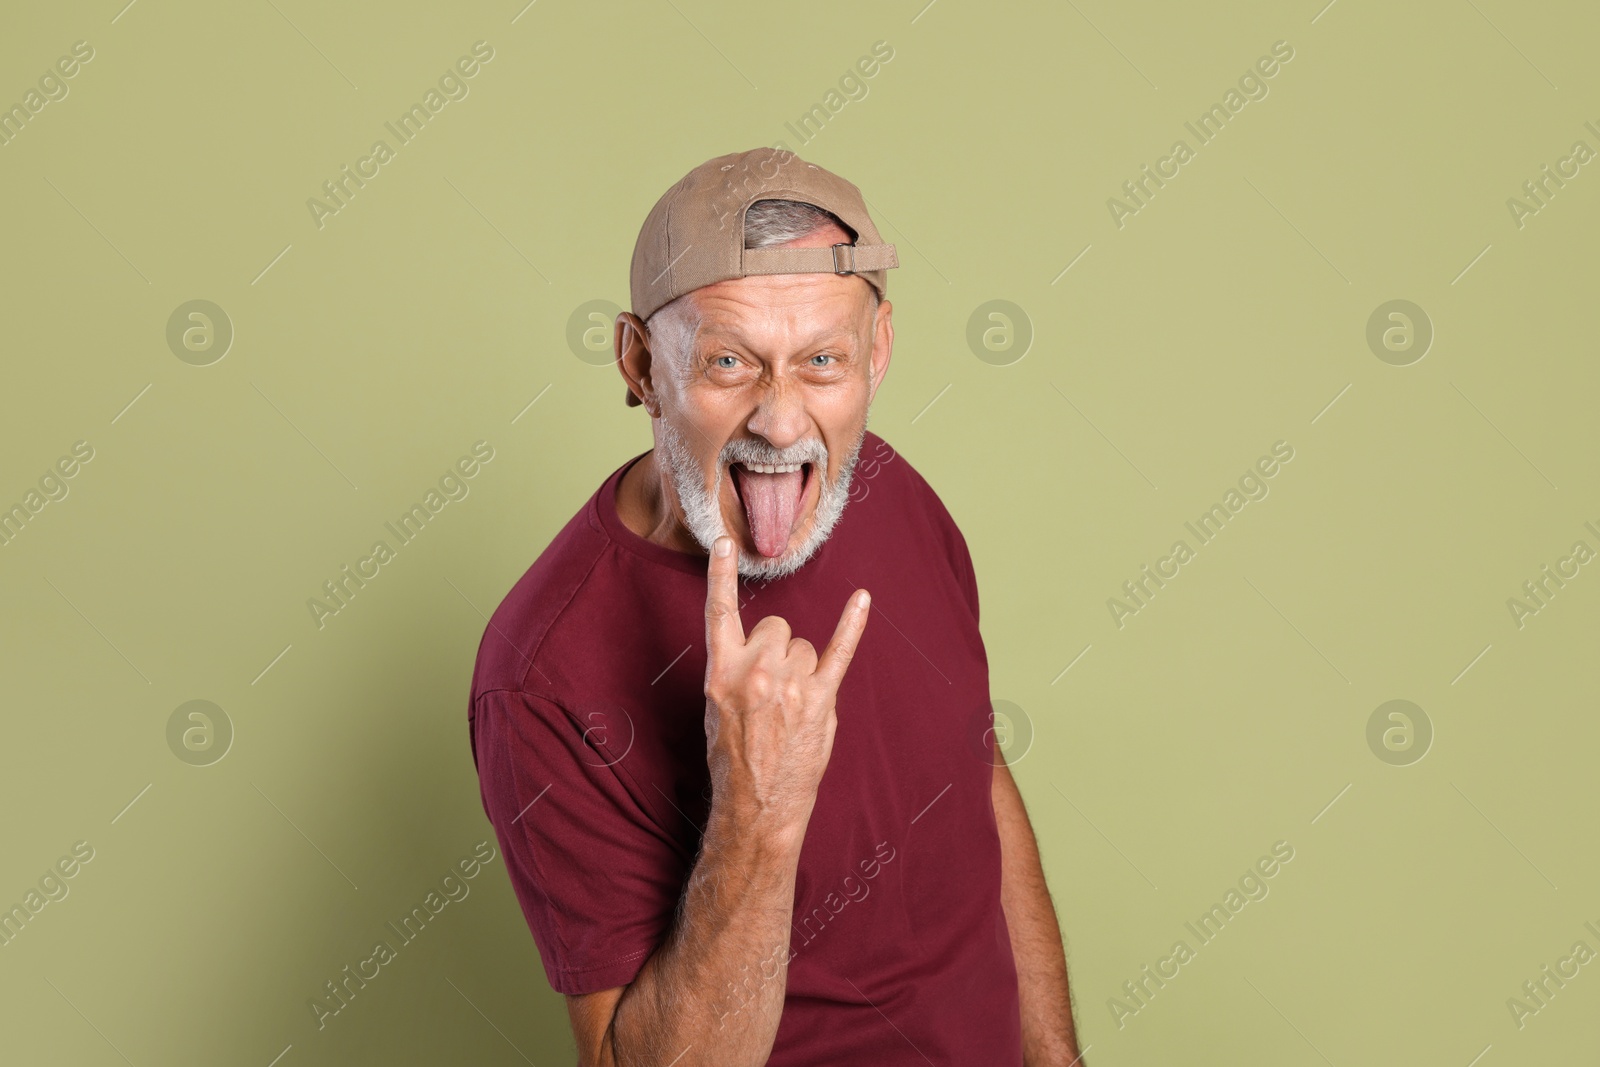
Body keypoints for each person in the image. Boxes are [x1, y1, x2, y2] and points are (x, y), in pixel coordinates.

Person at [468, 147, 1084, 1065]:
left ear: (876, 352)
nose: (783, 422)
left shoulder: (892, 492)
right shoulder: (542, 677)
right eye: (728, 363)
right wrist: (760, 809)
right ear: (639, 364)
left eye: (822, 361)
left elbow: (975, 774)